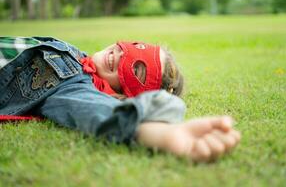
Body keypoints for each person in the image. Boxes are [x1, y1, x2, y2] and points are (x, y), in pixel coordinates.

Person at [0, 37, 240, 162]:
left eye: (139, 71)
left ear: (123, 96)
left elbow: (100, 112)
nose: (122, 55)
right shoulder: (76, 56)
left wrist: (161, 135)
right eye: (136, 47)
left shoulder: (75, 88)